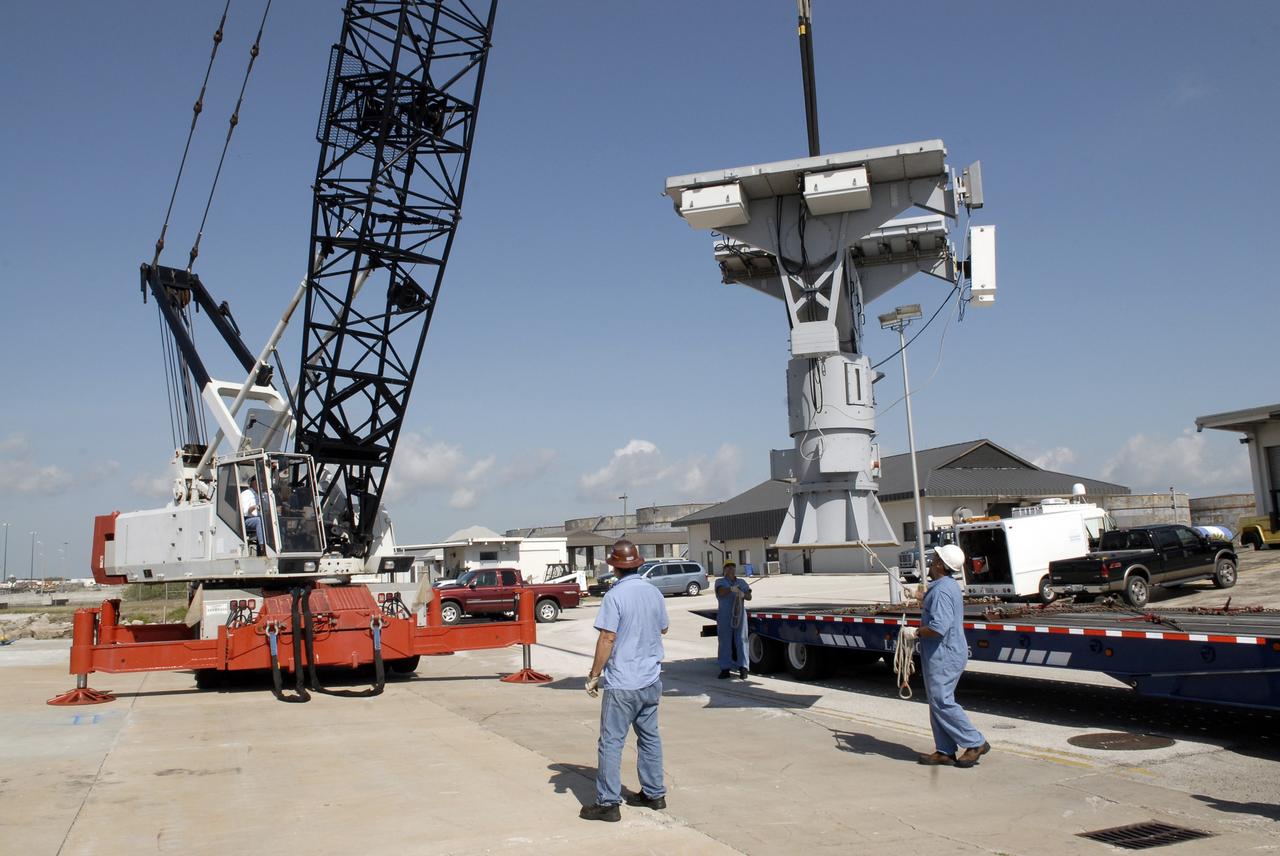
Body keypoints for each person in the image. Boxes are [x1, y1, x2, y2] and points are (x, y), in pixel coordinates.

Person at [580, 538, 669, 822]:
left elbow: (607, 637)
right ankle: (654, 794)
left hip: (623, 683)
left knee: (611, 742)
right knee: (650, 738)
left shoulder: (615, 596)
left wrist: (595, 675)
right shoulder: (653, 592)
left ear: (615, 566)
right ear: (637, 563)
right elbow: (663, 627)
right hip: (651, 680)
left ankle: (608, 803)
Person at [916, 543, 990, 768]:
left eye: (934, 558)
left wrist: (915, 632)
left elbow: (938, 627)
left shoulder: (941, 591)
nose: (930, 562)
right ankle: (945, 750)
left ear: (940, 563)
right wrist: (922, 597)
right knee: (936, 702)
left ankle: (974, 741)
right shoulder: (944, 586)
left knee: (942, 701)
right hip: (942, 653)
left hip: (944, 654)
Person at [715, 560, 752, 679]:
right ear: (724, 569)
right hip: (725, 616)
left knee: (742, 640)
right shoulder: (719, 581)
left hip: (739, 614)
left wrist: (742, 594)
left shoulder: (741, 582)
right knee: (724, 641)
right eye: (728, 567)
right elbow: (720, 592)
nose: (730, 569)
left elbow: (749, 596)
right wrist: (731, 589)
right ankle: (725, 668)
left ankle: (743, 668)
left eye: (732, 567)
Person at [240, 475, 266, 552]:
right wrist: (254, 507)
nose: (263, 484)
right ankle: (263, 547)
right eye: (261, 482)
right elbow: (244, 512)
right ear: (254, 483)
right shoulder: (246, 494)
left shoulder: (264, 494)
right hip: (247, 520)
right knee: (259, 521)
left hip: (262, 518)